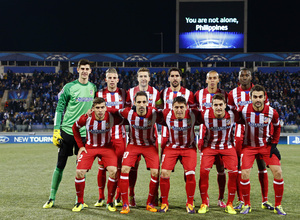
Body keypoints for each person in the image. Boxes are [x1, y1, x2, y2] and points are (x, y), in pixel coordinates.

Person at [43, 59, 97, 209]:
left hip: (84, 133)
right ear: (78, 70)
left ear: (90, 71)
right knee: (60, 165)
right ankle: (51, 198)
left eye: (88, 68)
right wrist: (56, 130)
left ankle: (79, 200)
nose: (85, 71)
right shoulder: (69, 87)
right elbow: (60, 109)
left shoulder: (93, 87)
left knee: (81, 168)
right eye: (83, 68)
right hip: (67, 131)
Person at [227, 68, 273, 210]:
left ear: (251, 77)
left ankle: (265, 201)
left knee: (262, 166)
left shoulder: (260, 92)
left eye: (247, 75)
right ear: (239, 77)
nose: (245, 77)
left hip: (260, 136)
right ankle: (242, 200)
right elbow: (229, 115)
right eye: (242, 75)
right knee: (241, 168)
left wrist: (270, 136)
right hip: (240, 136)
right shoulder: (232, 94)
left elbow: (268, 114)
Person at [238, 85, 286, 215]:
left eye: (260, 97)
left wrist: (274, 144)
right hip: (248, 147)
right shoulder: (243, 110)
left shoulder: (272, 112)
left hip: (266, 146)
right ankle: (247, 205)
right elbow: (234, 122)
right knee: (244, 174)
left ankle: (278, 205)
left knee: (278, 173)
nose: (258, 99)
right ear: (250, 97)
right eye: (255, 97)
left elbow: (277, 127)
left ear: (265, 97)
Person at [71, 97, 124, 212]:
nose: (100, 110)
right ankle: (79, 202)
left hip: (107, 147)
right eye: (97, 108)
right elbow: (74, 128)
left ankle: (110, 202)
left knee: (114, 171)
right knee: (79, 172)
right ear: (93, 109)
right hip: (90, 148)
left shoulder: (111, 117)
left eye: (102, 107)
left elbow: (126, 119)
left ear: (106, 108)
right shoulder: (86, 118)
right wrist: (81, 146)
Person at [118, 91, 163, 214]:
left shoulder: (154, 112)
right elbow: (114, 113)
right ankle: (126, 203)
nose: (142, 105)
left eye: (144, 102)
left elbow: (166, 115)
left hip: (149, 146)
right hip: (133, 145)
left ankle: (149, 203)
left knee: (155, 172)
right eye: (139, 102)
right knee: (124, 169)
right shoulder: (128, 112)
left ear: (148, 103)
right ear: (134, 103)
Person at [125, 67, 162, 207]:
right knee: (133, 167)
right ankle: (131, 194)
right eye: (141, 76)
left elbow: (159, 109)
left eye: (146, 76)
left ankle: (154, 196)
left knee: (155, 168)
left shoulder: (156, 93)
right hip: (134, 135)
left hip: (150, 135)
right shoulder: (130, 92)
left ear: (149, 78)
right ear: (137, 78)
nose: (143, 78)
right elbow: (128, 110)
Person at [158, 96, 200, 214]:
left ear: (186, 107)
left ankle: (190, 203)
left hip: (189, 148)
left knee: (190, 174)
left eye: (182, 107)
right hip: (171, 147)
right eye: (176, 107)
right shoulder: (166, 114)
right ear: (172, 108)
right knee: (164, 173)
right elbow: (151, 112)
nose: (179, 110)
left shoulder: (194, 114)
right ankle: (165, 203)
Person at [198, 93, 238, 215]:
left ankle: (229, 203)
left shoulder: (232, 115)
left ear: (225, 105)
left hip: (227, 146)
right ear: (211, 106)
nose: (219, 107)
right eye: (216, 105)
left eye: (221, 105)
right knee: (203, 172)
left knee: (234, 172)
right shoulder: (204, 114)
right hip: (209, 147)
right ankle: (204, 202)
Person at [194, 70, 228, 208]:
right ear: (206, 80)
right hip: (205, 139)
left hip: (223, 140)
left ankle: (220, 198)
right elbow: (194, 114)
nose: (212, 80)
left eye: (215, 78)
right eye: (210, 78)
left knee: (221, 169)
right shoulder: (198, 95)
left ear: (218, 80)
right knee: (204, 170)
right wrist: (198, 137)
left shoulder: (225, 95)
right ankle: (205, 198)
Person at [95, 68, 127, 208]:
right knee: (102, 168)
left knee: (119, 168)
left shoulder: (123, 94)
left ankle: (117, 197)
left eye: (115, 78)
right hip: (104, 138)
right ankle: (101, 197)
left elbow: (126, 112)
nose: (112, 80)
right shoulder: (100, 93)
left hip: (120, 136)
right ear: (106, 79)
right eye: (110, 78)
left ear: (118, 80)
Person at [160, 67, 196, 151]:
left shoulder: (188, 94)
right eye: (172, 76)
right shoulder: (163, 92)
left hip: (184, 131)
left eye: (177, 76)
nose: (175, 78)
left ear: (180, 78)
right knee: (164, 160)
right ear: (169, 78)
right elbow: (162, 106)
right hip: (167, 131)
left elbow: (193, 111)